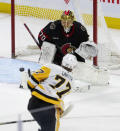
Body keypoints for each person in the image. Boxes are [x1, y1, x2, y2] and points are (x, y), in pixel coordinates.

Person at [27, 54, 78, 131]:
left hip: (33, 104)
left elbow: (31, 82)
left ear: (62, 61)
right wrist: (59, 112)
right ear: (74, 67)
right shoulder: (73, 83)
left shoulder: (51, 67)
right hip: (50, 108)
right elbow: (59, 99)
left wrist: (36, 94)